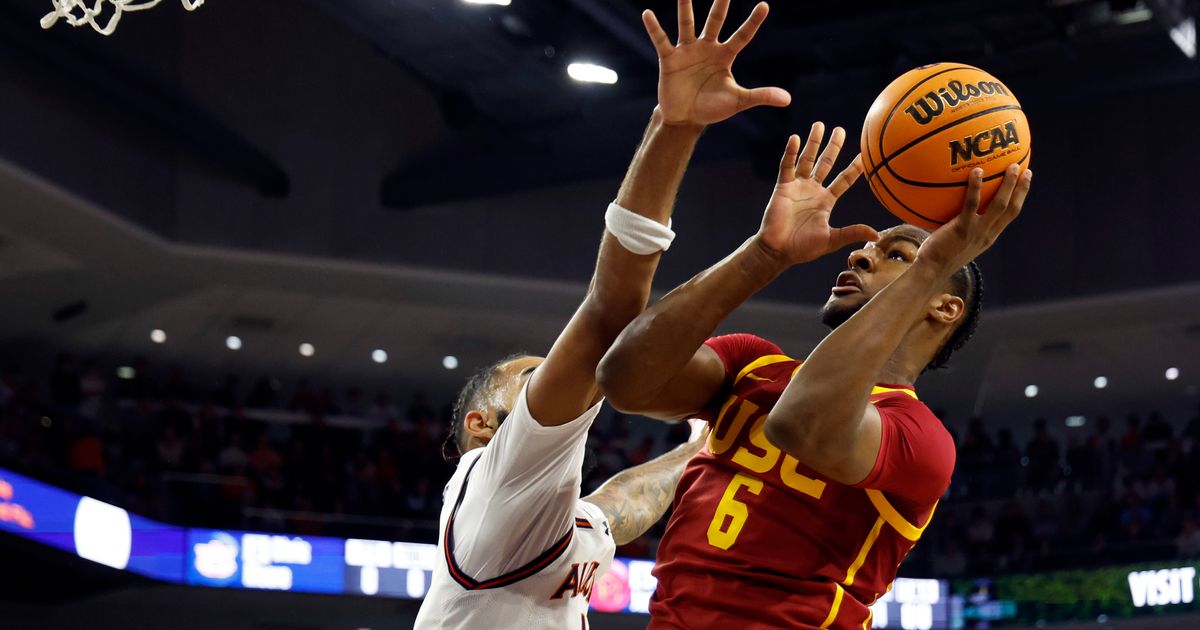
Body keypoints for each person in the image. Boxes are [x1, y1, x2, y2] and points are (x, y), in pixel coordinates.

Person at [413, 1, 791, 627]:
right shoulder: (497, 476)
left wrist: (703, 444)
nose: (563, 376)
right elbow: (610, 311)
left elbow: (620, 505)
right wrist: (675, 129)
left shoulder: (532, 516)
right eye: (534, 379)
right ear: (483, 426)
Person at [598, 123, 1032, 626]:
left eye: (897, 255)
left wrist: (933, 262)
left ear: (944, 306)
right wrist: (765, 253)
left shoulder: (921, 440)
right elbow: (625, 378)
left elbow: (799, 423)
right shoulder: (753, 363)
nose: (861, 252)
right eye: (874, 248)